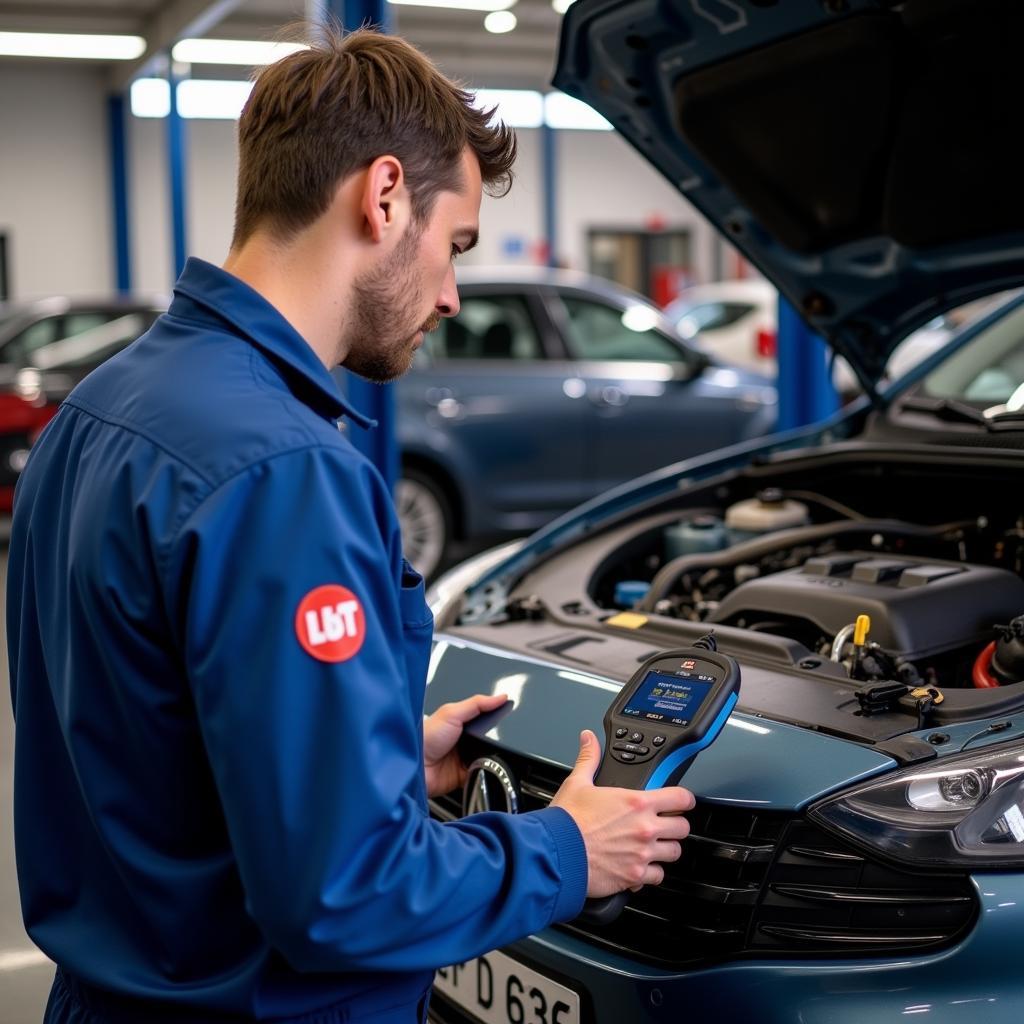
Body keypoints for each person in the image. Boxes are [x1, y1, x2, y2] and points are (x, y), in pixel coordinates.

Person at [7, 27, 695, 1024]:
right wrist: (567, 849)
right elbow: (343, 895)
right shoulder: (282, 470)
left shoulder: (98, 412)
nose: (454, 293)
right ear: (382, 197)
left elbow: (136, 742)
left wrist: (369, 760)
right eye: (453, 244)